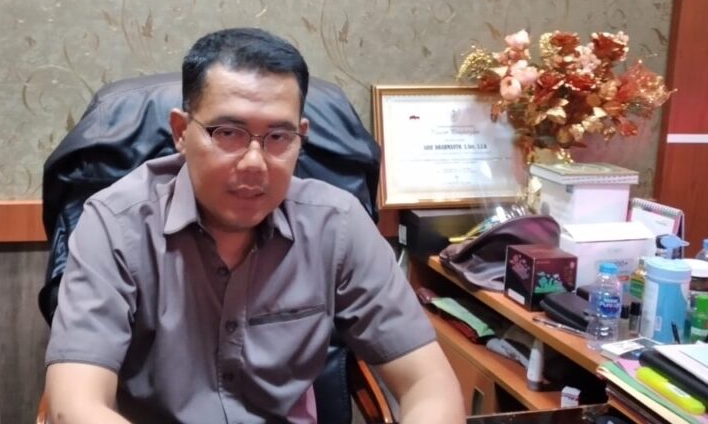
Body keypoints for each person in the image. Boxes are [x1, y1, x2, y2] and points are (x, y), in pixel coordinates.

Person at [44, 28, 464, 423]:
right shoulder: (115, 226)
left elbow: (428, 384)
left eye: (279, 137)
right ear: (181, 132)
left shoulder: (337, 225)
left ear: (301, 136)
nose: (254, 164)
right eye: (228, 133)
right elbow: (75, 404)